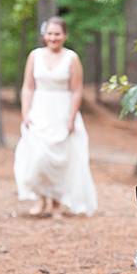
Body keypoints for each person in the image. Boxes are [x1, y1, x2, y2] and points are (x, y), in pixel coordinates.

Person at [14, 16, 97, 217]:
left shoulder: (72, 58)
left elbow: (77, 90)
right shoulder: (34, 56)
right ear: (44, 35)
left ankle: (57, 203)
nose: (53, 37)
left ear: (64, 36)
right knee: (37, 158)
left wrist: (71, 117)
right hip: (39, 110)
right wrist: (26, 112)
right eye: (50, 33)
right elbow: (28, 86)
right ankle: (41, 199)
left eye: (57, 33)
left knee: (61, 159)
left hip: (62, 110)